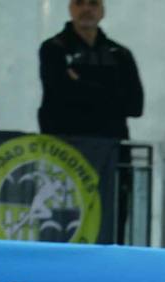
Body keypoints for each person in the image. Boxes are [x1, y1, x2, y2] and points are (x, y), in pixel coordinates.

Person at [38, 0, 145, 243]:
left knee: (112, 220)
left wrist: (79, 83)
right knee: (64, 219)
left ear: (102, 10)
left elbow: (135, 106)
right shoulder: (54, 49)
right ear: (70, 8)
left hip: (111, 155)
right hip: (67, 153)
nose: (87, 9)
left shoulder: (120, 54)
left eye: (94, 3)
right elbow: (58, 97)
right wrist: (109, 94)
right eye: (80, 3)